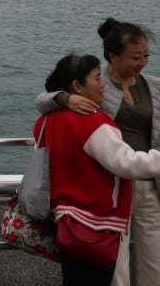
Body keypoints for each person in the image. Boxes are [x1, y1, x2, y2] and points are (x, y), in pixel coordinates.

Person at [37, 19, 159, 286]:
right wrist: (65, 98)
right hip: (113, 188)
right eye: (135, 57)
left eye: (146, 56)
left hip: (151, 185)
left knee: (155, 263)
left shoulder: (153, 87)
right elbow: (45, 98)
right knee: (118, 267)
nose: (142, 63)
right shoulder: (93, 86)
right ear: (113, 56)